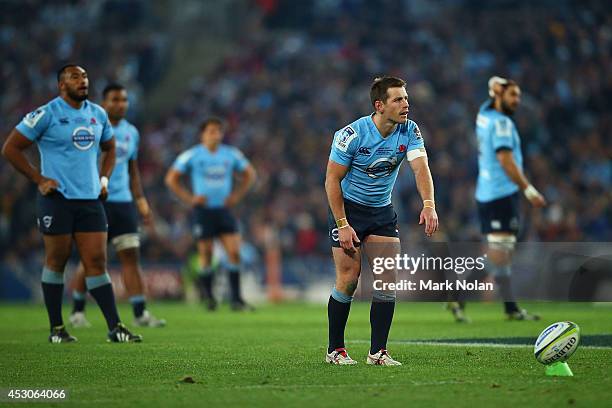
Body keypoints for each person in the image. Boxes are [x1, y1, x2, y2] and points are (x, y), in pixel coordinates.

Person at [1, 65, 142, 342]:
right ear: (61, 85)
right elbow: (10, 148)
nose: (82, 81)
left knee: (97, 261)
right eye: (75, 77)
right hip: (58, 200)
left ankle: (115, 327)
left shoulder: (97, 114)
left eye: (85, 76)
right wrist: (39, 178)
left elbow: (111, 148)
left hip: (90, 200)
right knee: (57, 260)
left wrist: (104, 178)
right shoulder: (46, 113)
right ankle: (57, 329)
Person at [324, 76, 438, 365]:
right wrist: (342, 223)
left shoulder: (410, 131)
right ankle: (335, 350)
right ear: (380, 105)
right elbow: (331, 180)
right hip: (348, 211)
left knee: (387, 281)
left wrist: (428, 204)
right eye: (398, 99)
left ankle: (378, 352)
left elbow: (421, 168)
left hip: (381, 211)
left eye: (406, 98)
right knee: (349, 279)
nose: (406, 104)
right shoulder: (352, 134)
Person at [68, 83, 165, 328]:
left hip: (123, 203)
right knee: (92, 259)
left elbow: (133, 170)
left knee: (131, 257)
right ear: (104, 102)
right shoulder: (92, 126)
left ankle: (140, 313)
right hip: (95, 202)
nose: (120, 104)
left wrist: (141, 200)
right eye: (115, 99)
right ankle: (77, 311)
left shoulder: (132, 132)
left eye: (124, 99)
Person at [451, 76, 546, 322]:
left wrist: (496, 87)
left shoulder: (484, 114)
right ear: (499, 97)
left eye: (518, 96)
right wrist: (528, 189)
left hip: (487, 192)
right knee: (499, 254)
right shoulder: (502, 123)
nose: (517, 100)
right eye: (512, 95)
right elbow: (505, 159)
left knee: (503, 253)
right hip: (500, 194)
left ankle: (510, 308)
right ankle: (458, 297)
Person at [165, 118, 256, 311]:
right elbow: (171, 178)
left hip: (224, 210)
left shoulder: (230, 154)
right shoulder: (192, 155)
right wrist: (189, 199)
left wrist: (236, 195)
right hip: (203, 211)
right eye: (211, 131)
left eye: (218, 131)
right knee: (205, 254)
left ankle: (236, 300)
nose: (215, 135)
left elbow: (250, 173)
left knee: (234, 252)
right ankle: (208, 298)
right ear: (202, 135)